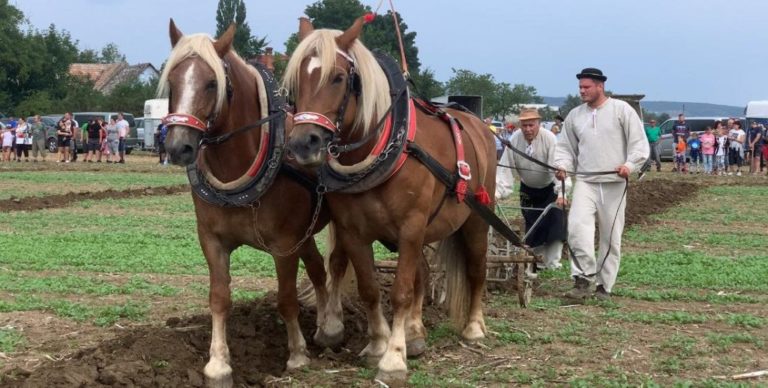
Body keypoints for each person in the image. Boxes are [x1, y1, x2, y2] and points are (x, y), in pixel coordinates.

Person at [554, 68, 649, 302]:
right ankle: (582, 278)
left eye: (586, 87)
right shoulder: (575, 115)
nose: (582, 91)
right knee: (577, 229)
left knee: (610, 236)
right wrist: (563, 165)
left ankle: (604, 286)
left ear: (600, 86)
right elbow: (565, 147)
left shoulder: (621, 110)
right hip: (585, 181)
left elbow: (639, 144)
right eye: (580, 87)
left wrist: (629, 165)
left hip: (614, 183)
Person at [497, 108, 571, 271]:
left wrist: (562, 192)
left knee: (555, 225)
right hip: (528, 188)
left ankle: (552, 263)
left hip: (550, 188)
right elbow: (505, 168)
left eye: (531, 125)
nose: (528, 129)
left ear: (538, 124)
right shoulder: (515, 139)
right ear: (520, 125)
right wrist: (498, 192)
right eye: (524, 126)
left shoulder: (549, 139)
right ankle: (536, 260)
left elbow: (558, 167)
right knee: (533, 226)